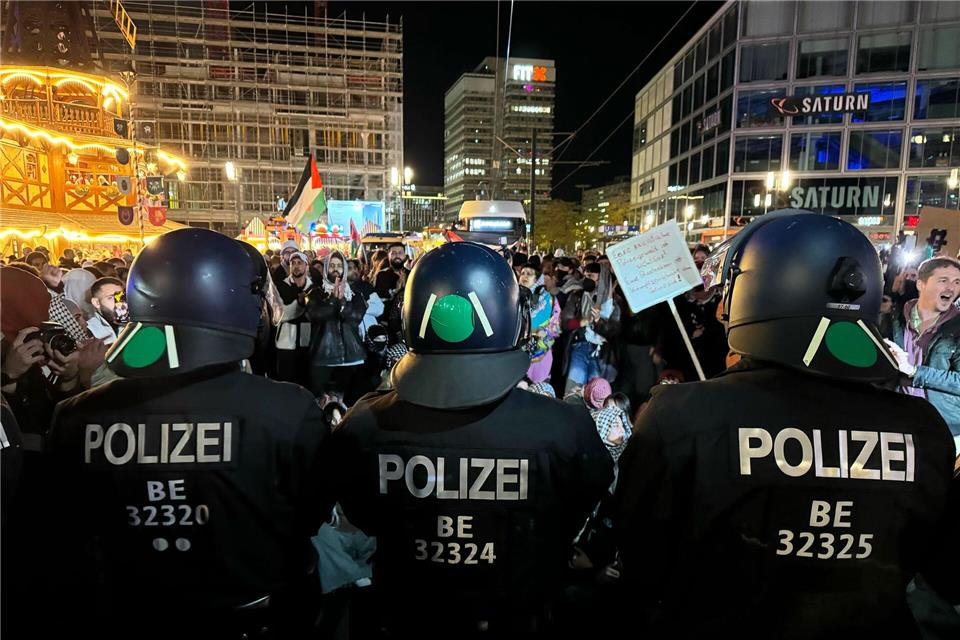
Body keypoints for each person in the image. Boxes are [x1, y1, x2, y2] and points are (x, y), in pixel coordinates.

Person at [614, 210, 956, 637]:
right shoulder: (925, 428)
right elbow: (938, 570)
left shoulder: (682, 414)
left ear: (752, 294)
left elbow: (641, 555)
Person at [46, 228, 335, 639]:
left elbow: (66, 530)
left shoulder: (76, 418)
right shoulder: (288, 411)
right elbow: (313, 514)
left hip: (131, 615)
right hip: (262, 617)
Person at [325, 241, 612, 635]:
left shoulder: (364, 424)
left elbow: (357, 511)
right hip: (517, 618)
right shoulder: (565, 428)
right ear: (514, 318)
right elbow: (585, 504)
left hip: (406, 618)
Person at [885, 257, 960, 453]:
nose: (951, 288)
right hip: (899, 421)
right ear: (921, 284)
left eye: (957, 282)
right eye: (943, 280)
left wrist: (914, 371)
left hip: (945, 429)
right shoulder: (895, 317)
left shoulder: (957, 328)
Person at [305, 250, 367, 402]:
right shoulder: (314, 293)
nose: (335, 269)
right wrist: (334, 300)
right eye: (332, 265)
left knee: (352, 405)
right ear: (326, 268)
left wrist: (343, 302)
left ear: (344, 269)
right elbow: (315, 315)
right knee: (322, 405)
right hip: (323, 357)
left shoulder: (355, 295)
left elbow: (356, 317)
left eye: (339, 265)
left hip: (353, 357)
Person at [274, 251, 313, 386]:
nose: (296, 266)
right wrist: (300, 304)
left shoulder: (314, 287)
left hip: (307, 340)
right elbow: (279, 314)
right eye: (293, 263)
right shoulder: (279, 286)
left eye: (299, 263)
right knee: (286, 380)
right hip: (286, 341)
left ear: (306, 266)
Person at [519, 263, 560, 384]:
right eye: (522, 273)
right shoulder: (513, 297)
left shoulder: (549, 300)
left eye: (529, 274)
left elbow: (556, 327)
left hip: (540, 356)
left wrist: (541, 332)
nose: (524, 276)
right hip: (517, 355)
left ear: (537, 279)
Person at [347, 257, 384, 339]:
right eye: (349, 268)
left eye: (355, 268)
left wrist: (361, 306)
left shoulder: (366, 286)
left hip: (370, 335)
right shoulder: (340, 289)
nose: (354, 271)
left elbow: (379, 308)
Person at [86, 277, 127, 346]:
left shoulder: (133, 324)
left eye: (121, 297)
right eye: (110, 298)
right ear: (96, 303)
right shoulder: (89, 330)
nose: (119, 303)